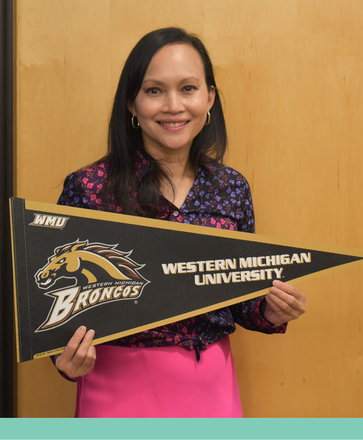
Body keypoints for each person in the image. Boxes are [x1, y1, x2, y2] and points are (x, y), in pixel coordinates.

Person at [48, 27, 306, 418]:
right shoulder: (89, 190)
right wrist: (62, 359)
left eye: (188, 88)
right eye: (154, 91)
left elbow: (238, 299)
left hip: (213, 388)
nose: (173, 105)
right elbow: (53, 311)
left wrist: (270, 311)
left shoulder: (231, 188)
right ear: (132, 104)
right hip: (117, 387)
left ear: (209, 98)